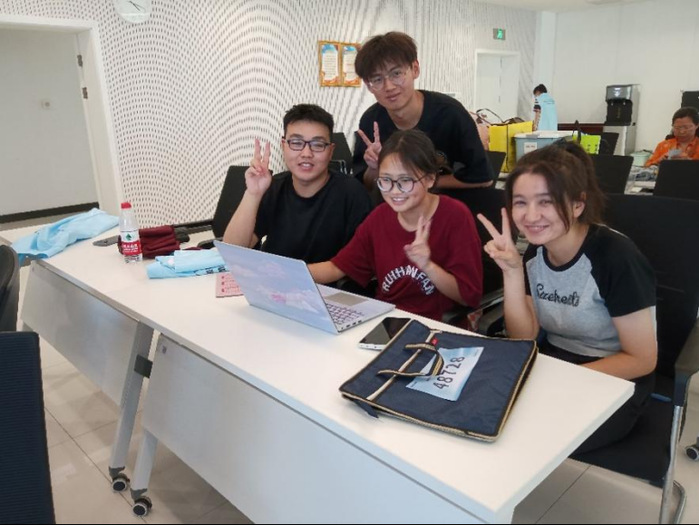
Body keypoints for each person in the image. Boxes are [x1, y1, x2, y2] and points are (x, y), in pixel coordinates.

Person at [478, 142, 657, 453]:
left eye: (546, 201)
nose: (531, 215)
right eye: (520, 202)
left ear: (577, 205)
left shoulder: (615, 257)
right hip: (555, 362)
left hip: (615, 376)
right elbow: (524, 337)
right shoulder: (535, 252)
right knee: (485, 411)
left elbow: (642, 359)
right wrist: (512, 272)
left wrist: (562, 379)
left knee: (520, 436)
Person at [309, 129, 483, 322]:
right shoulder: (380, 217)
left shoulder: (455, 215)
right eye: (386, 180)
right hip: (386, 320)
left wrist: (428, 265)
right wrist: (290, 274)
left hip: (437, 325)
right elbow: (337, 267)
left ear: (430, 178)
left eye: (405, 181)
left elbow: (468, 296)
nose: (394, 191)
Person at [222, 104, 372, 263]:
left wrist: (286, 273)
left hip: (319, 280)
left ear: (331, 151)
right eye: (296, 142)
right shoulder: (273, 187)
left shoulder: (352, 193)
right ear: (283, 146)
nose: (306, 153)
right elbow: (232, 252)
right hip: (272, 276)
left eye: (318, 144)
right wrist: (253, 194)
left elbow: (360, 262)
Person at [352, 32, 492, 192]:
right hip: (394, 204)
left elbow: (484, 179)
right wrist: (374, 167)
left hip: (447, 203)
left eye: (396, 74)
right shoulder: (371, 120)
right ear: (368, 85)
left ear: (415, 69)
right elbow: (366, 185)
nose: (389, 86)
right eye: (377, 79)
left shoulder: (450, 114)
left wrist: (419, 183)